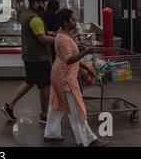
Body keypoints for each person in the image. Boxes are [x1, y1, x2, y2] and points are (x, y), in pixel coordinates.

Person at [44, 8, 109, 147]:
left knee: (56, 104)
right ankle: (87, 140)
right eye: (73, 20)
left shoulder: (63, 35)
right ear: (65, 22)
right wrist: (86, 51)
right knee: (77, 109)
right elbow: (68, 59)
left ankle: (51, 132)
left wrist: (85, 68)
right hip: (65, 76)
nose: (75, 22)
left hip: (58, 74)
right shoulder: (63, 39)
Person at [1, 0, 55, 124]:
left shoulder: (26, 14)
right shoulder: (34, 18)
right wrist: (60, 38)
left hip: (29, 56)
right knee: (45, 85)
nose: (44, 5)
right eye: (43, 2)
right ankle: (44, 115)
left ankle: (9, 105)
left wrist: (51, 34)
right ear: (36, 3)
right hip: (39, 57)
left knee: (29, 81)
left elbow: (38, 34)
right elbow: (42, 38)